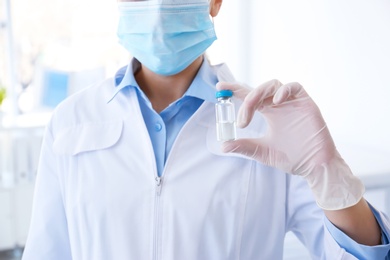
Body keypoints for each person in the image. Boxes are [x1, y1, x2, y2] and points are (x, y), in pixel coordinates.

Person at [22, 0, 390, 259]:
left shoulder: (269, 127)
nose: (158, 6)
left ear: (215, 1)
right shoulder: (70, 123)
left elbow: (362, 255)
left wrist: (328, 173)